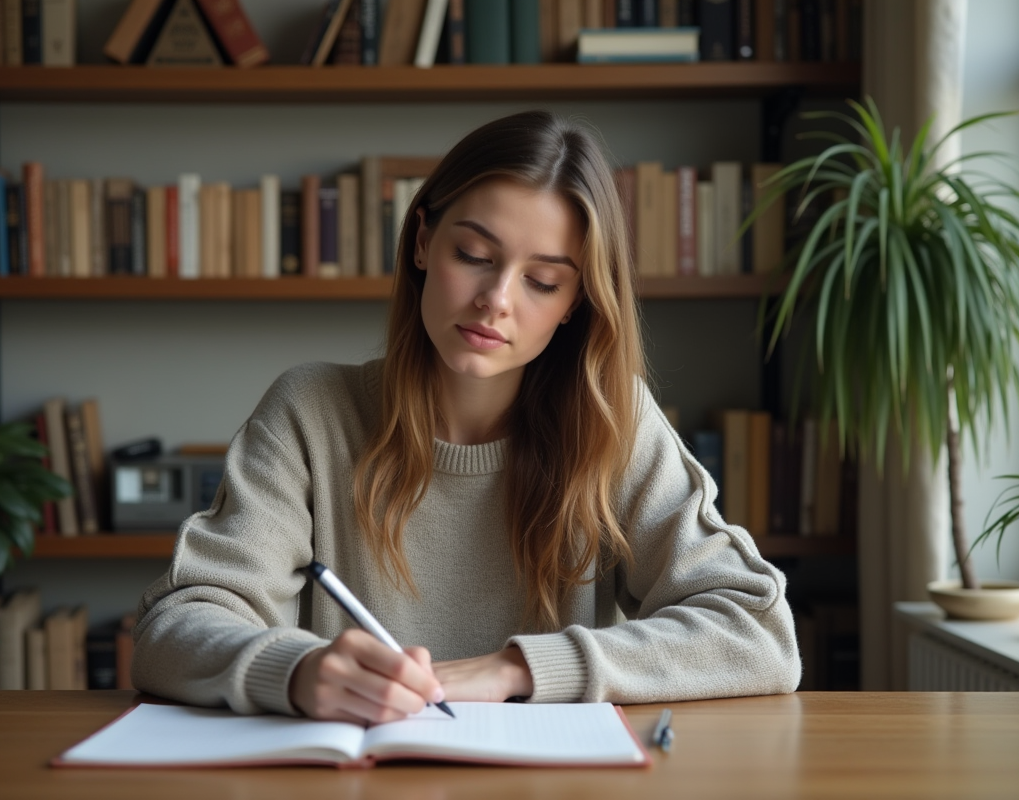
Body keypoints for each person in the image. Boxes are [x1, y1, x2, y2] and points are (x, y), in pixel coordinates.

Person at [132, 110, 801, 724]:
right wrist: (296, 671)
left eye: (542, 281)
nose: (496, 300)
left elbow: (757, 631)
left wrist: (517, 669)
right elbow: (175, 627)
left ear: (574, 301)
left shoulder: (612, 422)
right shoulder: (311, 412)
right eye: (474, 256)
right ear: (423, 242)